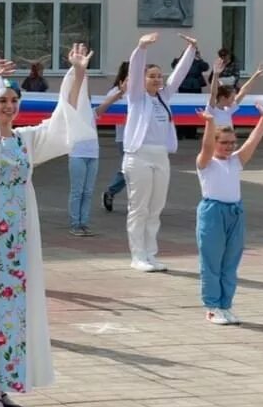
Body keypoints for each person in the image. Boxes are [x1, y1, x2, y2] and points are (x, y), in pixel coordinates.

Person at [0, 44, 89, 407]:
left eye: (13, 100)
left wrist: (76, 74)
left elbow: (64, 122)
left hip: (22, 234)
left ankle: (6, 384)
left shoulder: (26, 140)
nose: (8, 106)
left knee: (17, 308)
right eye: (1, 101)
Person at [121, 33, 199, 272]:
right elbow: (134, 73)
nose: (157, 79)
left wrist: (191, 50)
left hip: (160, 156)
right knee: (139, 207)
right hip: (138, 156)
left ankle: (151, 254)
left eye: (159, 76)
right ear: (143, 79)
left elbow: (179, 76)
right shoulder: (136, 97)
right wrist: (141, 47)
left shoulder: (164, 97)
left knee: (156, 208)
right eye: (151, 76)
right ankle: (137, 256)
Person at [194, 106, 263, 325]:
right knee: (212, 262)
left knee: (230, 263)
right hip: (212, 213)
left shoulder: (235, 161)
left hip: (235, 212)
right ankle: (211, 307)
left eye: (232, 142)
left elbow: (253, 142)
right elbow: (207, 146)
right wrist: (209, 123)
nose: (229, 147)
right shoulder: (206, 162)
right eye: (224, 142)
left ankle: (225, 306)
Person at [66, 72, 115, 238]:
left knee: (88, 191)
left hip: (93, 155)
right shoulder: (72, 109)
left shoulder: (92, 112)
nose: (84, 95)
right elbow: (74, 92)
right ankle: (75, 224)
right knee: (77, 191)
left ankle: (84, 223)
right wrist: (80, 73)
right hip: (77, 154)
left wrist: (121, 92)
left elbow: (107, 104)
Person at [100, 62, 130, 214]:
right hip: (124, 138)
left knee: (130, 169)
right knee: (129, 169)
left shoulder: (141, 91)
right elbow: (105, 110)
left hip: (141, 138)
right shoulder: (115, 91)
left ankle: (113, 193)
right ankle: (111, 192)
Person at [206, 65, 263, 130]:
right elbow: (213, 93)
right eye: (232, 98)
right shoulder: (212, 109)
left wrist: (255, 76)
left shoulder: (228, 109)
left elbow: (243, 91)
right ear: (223, 98)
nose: (234, 100)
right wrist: (215, 74)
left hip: (227, 139)